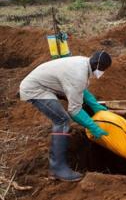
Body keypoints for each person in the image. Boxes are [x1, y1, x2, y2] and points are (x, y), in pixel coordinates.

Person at [19, 51, 112, 182]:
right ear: (97, 64)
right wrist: (93, 126)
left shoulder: (84, 63)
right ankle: (58, 168)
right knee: (62, 120)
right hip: (35, 89)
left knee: (62, 118)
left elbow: (81, 89)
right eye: (102, 69)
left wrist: (94, 104)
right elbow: (74, 110)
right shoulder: (78, 74)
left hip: (45, 83)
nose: (102, 73)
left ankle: (58, 167)